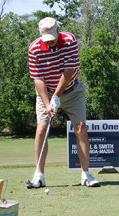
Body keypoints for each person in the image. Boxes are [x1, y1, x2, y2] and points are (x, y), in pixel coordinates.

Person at [27, 17, 99, 188]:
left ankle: (86, 174)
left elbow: (69, 70)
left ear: (58, 31)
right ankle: (39, 175)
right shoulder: (34, 49)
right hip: (46, 93)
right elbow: (38, 80)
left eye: (53, 38)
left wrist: (57, 96)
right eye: (47, 39)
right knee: (41, 129)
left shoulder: (69, 40)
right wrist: (47, 103)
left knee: (81, 127)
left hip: (72, 91)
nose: (50, 42)